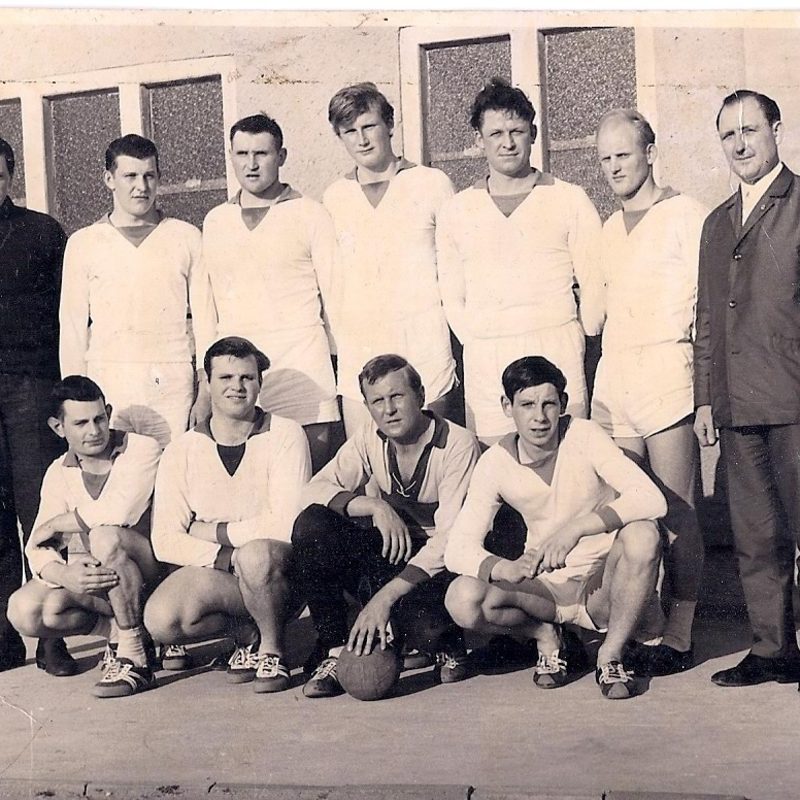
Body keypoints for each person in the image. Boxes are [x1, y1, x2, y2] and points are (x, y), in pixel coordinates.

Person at [445, 356, 666, 699]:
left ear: (563, 404)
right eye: (527, 404)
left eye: (549, 403)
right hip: (546, 591)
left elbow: (652, 499)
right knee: (462, 598)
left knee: (644, 534)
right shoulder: (495, 462)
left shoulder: (584, 434)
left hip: (604, 587)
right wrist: (506, 567)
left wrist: (577, 528)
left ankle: (610, 654)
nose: (539, 417)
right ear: (507, 406)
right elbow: (457, 547)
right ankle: (546, 636)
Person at [591, 109, 708, 676]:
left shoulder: (685, 214)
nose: (615, 167)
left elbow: (707, 308)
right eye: (606, 158)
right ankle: (644, 621)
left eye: (624, 155)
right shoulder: (608, 228)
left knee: (677, 510)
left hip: (666, 366)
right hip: (616, 375)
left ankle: (681, 634)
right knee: (621, 508)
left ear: (650, 153)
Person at [292, 354, 481, 698]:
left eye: (397, 396)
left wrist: (383, 599)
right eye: (377, 401)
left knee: (423, 625)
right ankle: (334, 648)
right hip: (397, 551)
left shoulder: (457, 444)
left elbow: (451, 541)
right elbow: (312, 491)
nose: (388, 409)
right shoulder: (369, 438)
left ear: (420, 396)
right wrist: (373, 505)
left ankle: (438, 641)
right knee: (313, 524)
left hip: (443, 564)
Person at [694, 90, 800, 687]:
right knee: (755, 534)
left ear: (776, 130)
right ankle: (771, 650)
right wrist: (706, 397)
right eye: (728, 135)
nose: (740, 144)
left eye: (750, 130)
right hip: (736, 405)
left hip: (793, 398)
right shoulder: (716, 222)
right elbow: (708, 316)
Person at [437, 79, 603, 444]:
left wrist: (579, 337)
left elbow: (595, 283)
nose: (507, 142)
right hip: (488, 352)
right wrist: (481, 338)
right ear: (479, 139)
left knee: (566, 458)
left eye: (517, 131)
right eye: (495, 132)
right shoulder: (457, 210)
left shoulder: (569, 199)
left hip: (555, 343)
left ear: (534, 134)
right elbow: (452, 295)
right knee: (498, 464)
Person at [144, 336, 311, 693]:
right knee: (161, 620)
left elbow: (286, 523)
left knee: (256, 555)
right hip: (225, 571)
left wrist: (213, 531)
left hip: (280, 571)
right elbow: (165, 540)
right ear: (206, 384)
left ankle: (272, 650)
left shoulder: (286, 434)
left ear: (259, 383)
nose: (237, 386)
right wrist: (226, 556)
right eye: (225, 378)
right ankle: (247, 634)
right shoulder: (182, 449)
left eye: (247, 378)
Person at [59, 134, 216, 451]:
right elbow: (73, 327)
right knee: (116, 479)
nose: (141, 187)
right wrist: (74, 399)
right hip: (108, 380)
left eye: (149, 175)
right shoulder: (84, 242)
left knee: (174, 478)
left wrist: (206, 390)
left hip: (171, 381)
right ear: (109, 179)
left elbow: (206, 319)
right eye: (130, 176)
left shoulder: (186, 236)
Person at [7, 376, 162, 697]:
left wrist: (61, 523)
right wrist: (64, 574)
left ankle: (136, 657)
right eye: (80, 423)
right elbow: (37, 546)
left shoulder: (140, 448)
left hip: (154, 575)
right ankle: (118, 634)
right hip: (109, 581)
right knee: (26, 609)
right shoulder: (57, 471)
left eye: (99, 419)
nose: (94, 431)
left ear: (108, 413)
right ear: (58, 428)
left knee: (107, 537)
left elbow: (122, 511)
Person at [203, 114, 339, 472]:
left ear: (282, 156)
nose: (251, 164)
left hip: (302, 362)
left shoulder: (311, 214)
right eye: (241, 153)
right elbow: (210, 305)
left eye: (261, 153)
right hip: (241, 372)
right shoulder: (215, 221)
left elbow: (336, 300)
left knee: (309, 479)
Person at [323, 83, 458, 435]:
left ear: (390, 125)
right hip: (362, 345)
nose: (362, 139)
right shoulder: (336, 197)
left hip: (423, 341)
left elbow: (455, 268)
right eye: (349, 132)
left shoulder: (431, 183)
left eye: (369, 126)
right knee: (369, 463)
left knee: (432, 455)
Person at [0, 136, 72, 675]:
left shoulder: (42, 233)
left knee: (39, 510)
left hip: (30, 385)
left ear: (10, 178)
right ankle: (2, 639)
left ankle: (52, 636)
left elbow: (68, 317)